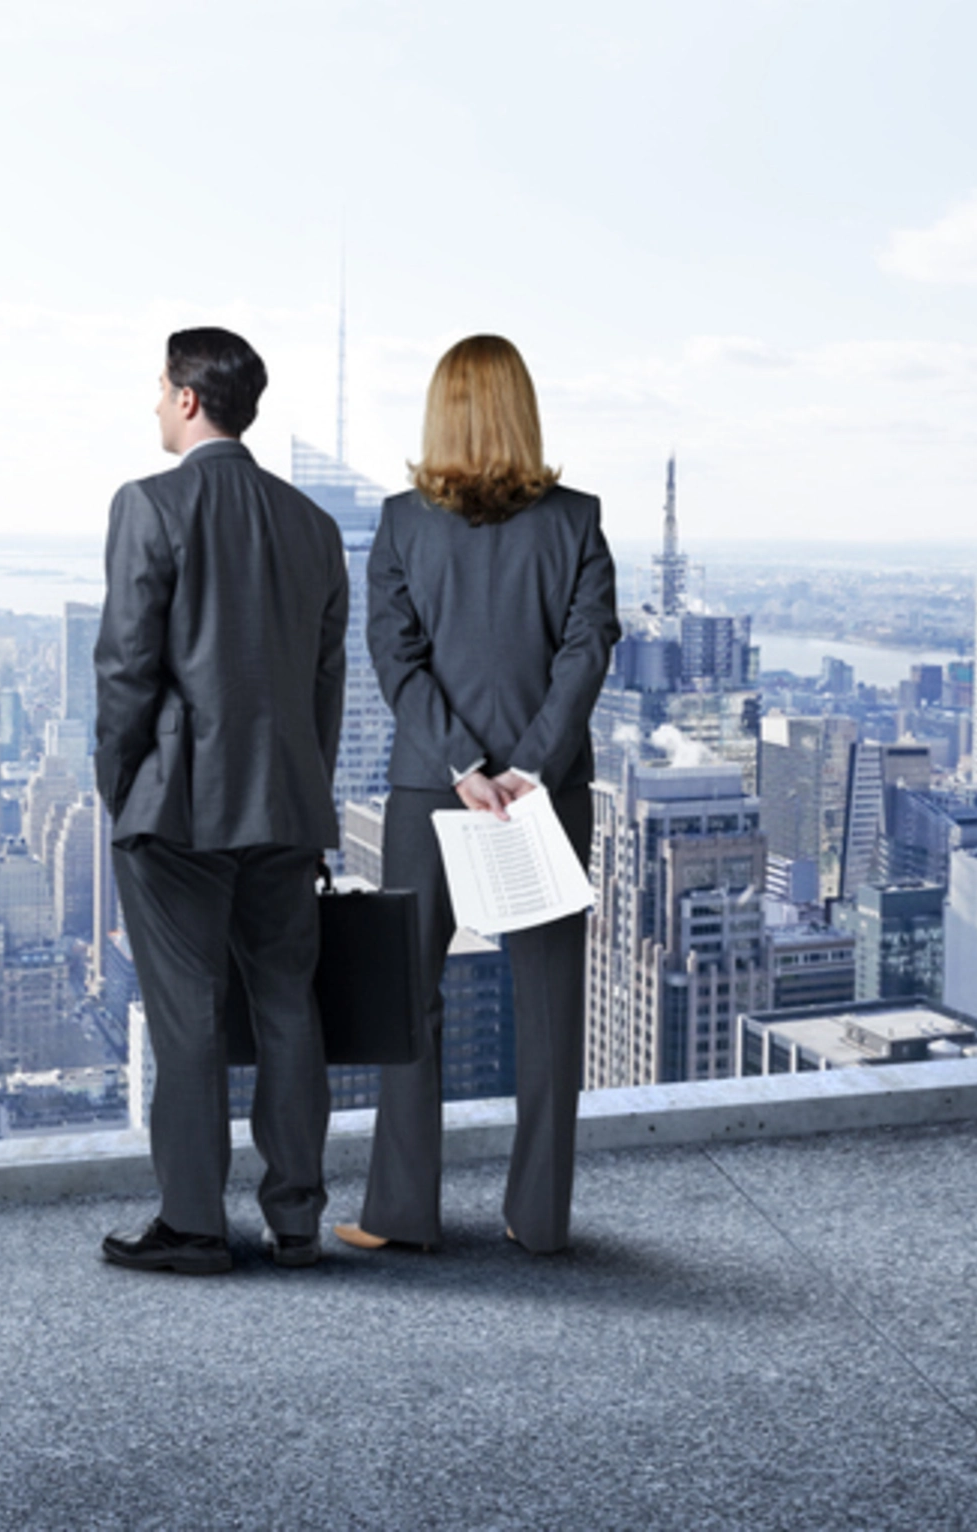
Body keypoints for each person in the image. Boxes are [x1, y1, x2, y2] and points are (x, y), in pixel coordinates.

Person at [336, 334, 620, 1257]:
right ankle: (538, 1220)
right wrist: (528, 768)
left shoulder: (400, 524)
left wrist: (464, 764)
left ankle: (399, 1214)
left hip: (430, 790)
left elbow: (395, 659)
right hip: (546, 795)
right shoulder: (578, 521)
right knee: (549, 1012)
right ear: (524, 410)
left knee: (409, 1002)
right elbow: (587, 654)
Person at [96, 327, 349, 1274]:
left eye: (160, 388)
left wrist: (120, 788)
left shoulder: (150, 505)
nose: (156, 404)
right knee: (288, 1007)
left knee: (189, 1017)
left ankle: (196, 1224)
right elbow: (325, 684)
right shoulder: (314, 526)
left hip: (178, 810)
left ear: (189, 398)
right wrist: (305, 792)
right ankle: (297, 1220)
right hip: (285, 804)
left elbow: (125, 668)